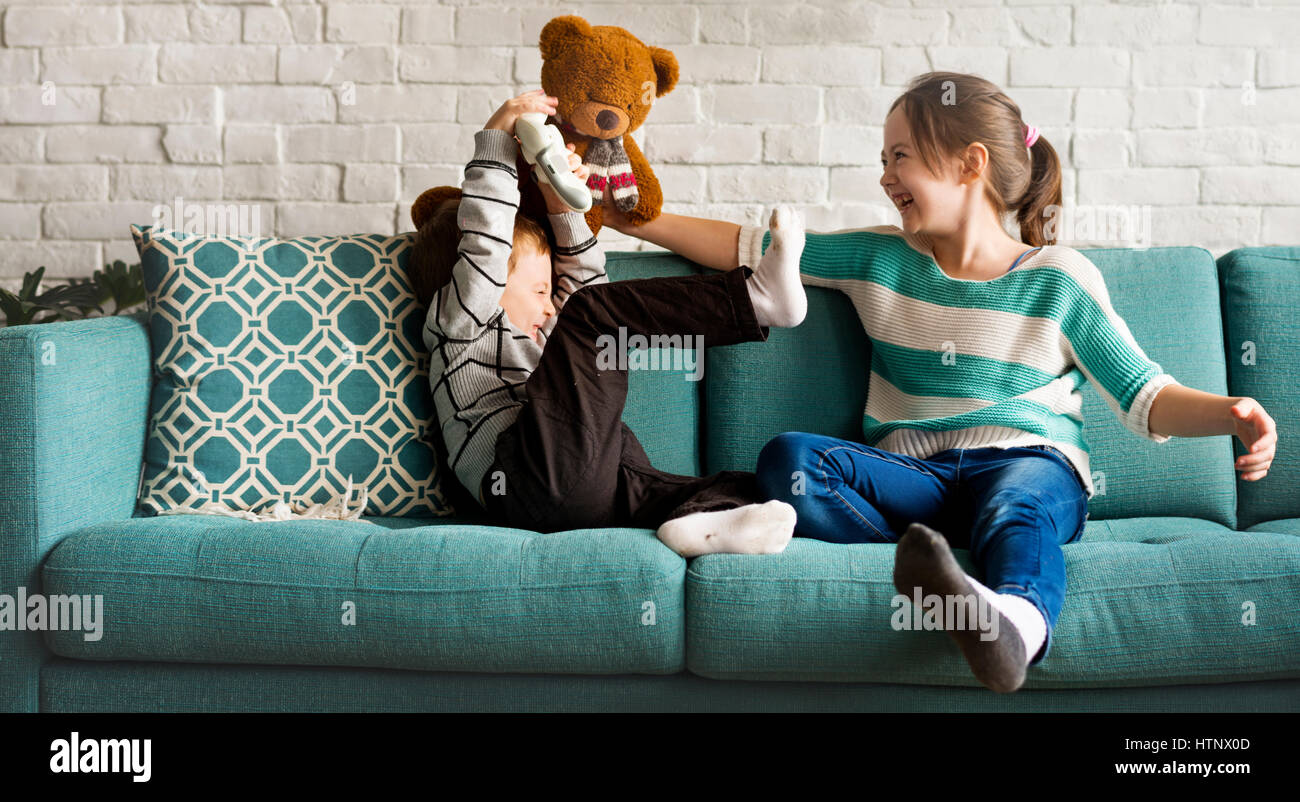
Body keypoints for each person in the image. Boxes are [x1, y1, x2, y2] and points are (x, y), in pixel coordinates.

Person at [603, 72, 1278, 692]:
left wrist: (1231, 412)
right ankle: (935, 565)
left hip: (1027, 465)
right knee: (790, 459)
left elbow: (1145, 395)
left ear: (970, 162)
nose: (885, 176)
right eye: (882, 160)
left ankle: (1015, 622)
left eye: (900, 157)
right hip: (915, 486)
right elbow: (750, 247)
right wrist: (627, 216)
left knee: (1019, 502)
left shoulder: (1060, 278)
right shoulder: (878, 258)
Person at [409, 88, 812, 558]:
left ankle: (694, 526)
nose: (548, 303)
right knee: (590, 316)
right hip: (519, 484)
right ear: (484, 281)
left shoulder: (542, 339)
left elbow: (586, 285)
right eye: (539, 290)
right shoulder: (460, 326)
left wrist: (559, 202)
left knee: (747, 486)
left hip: (589, 492)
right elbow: (489, 246)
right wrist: (496, 139)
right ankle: (756, 299)